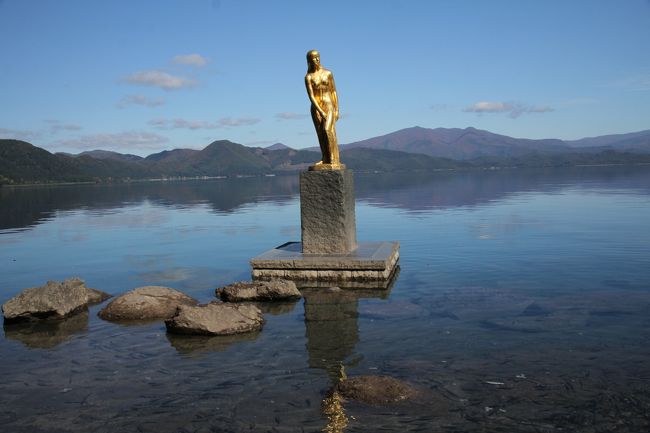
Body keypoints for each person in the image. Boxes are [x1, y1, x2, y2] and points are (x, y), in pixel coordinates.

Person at [305, 50, 344, 170]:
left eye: (318, 57)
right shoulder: (309, 77)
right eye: (314, 58)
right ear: (309, 61)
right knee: (320, 133)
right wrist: (320, 111)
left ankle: (332, 159)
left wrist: (337, 109)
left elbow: (333, 91)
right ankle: (325, 158)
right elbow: (311, 96)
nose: (317, 60)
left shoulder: (328, 73)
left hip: (329, 105)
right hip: (316, 107)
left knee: (327, 130)